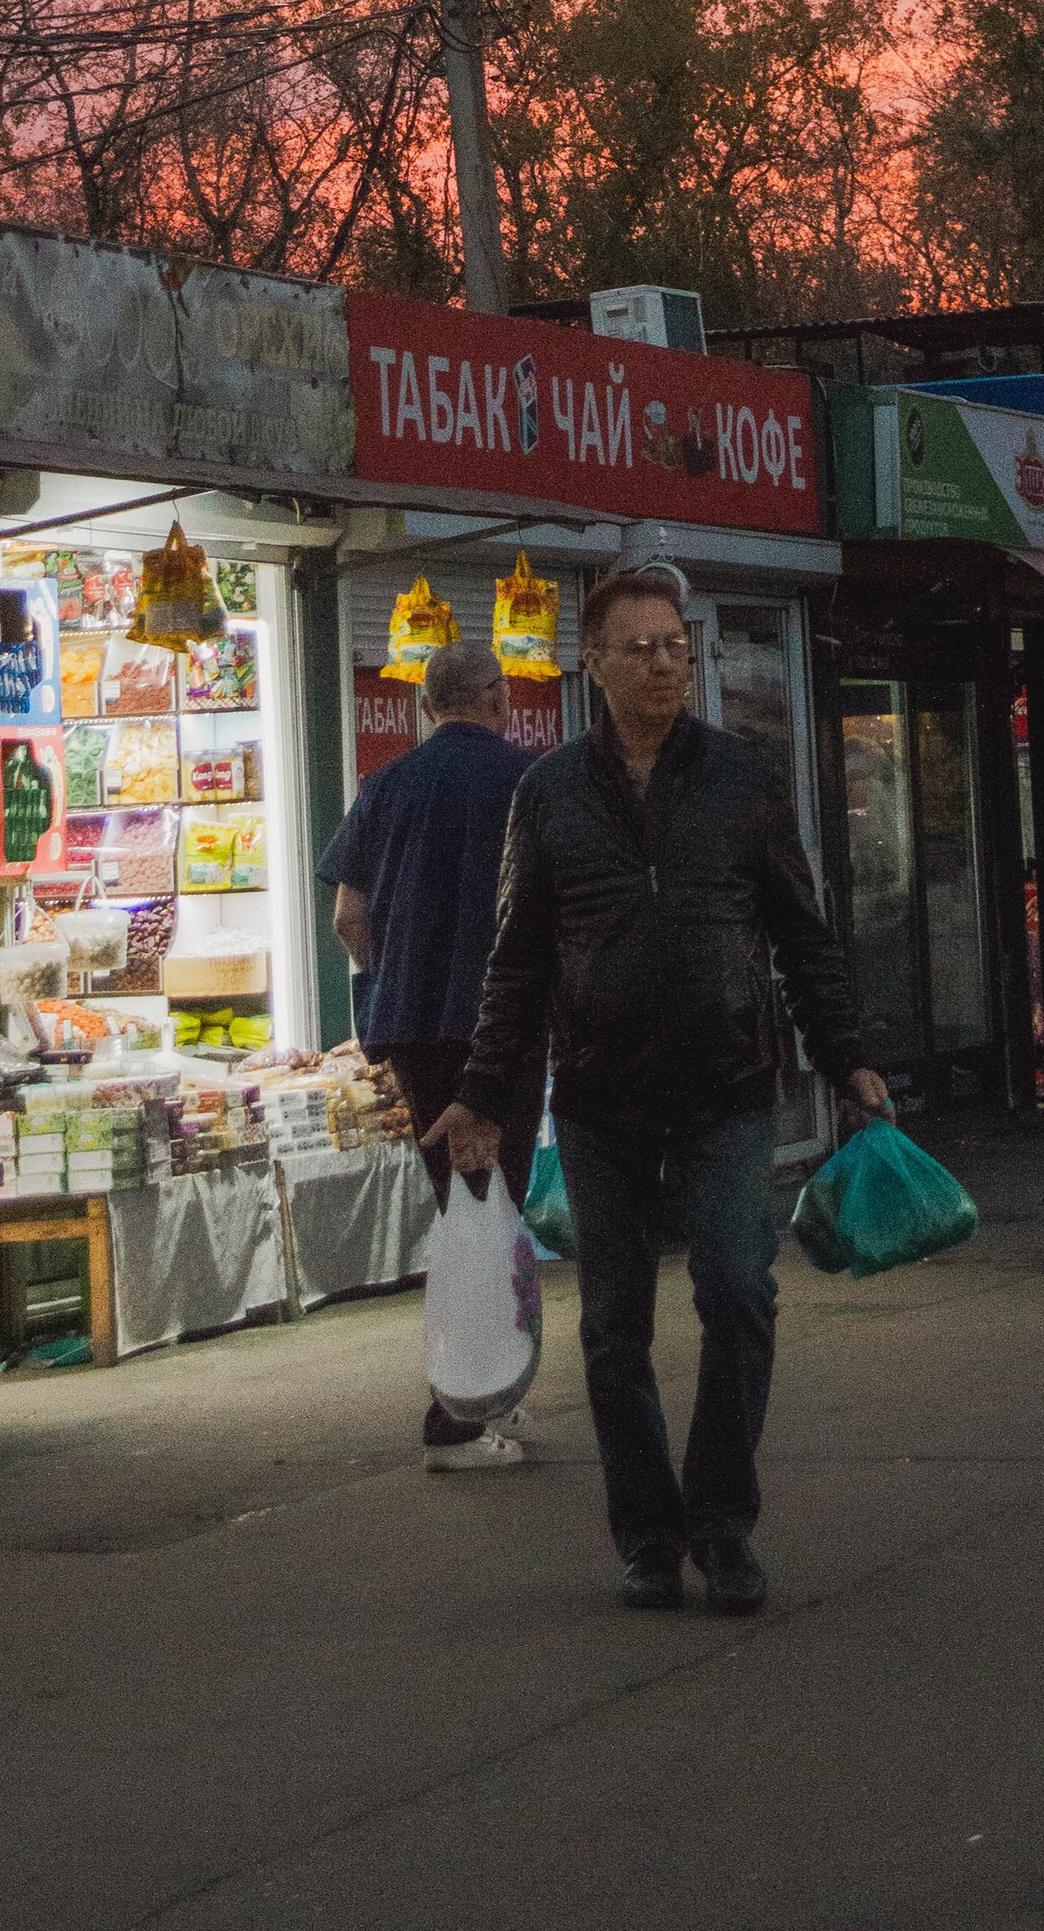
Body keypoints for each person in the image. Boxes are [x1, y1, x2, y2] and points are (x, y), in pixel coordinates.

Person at [435, 563, 887, 1618]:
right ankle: (647, 1533)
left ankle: (722, 1525)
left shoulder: (741, 778)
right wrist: (482, 1090)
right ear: (589, 663)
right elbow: (516, 960)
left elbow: (799, 930)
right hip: (598, 1099)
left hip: (727, 1088)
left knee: (740, 1293)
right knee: (612, 1326)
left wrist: (848, 1050)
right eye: (638, 647)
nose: (663, 663)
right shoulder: (544, 794)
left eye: (676, 645)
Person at [317, 634, 543, 1473]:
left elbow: (348, 915)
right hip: (503, 1025)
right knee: (499, 1198)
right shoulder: (526, 780)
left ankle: (479, 1383)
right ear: (498, 698)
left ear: (425, 706)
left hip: (414, 1024)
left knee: (460, 1200)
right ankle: (476, 1390)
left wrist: (390, 983)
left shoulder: (385, 786)